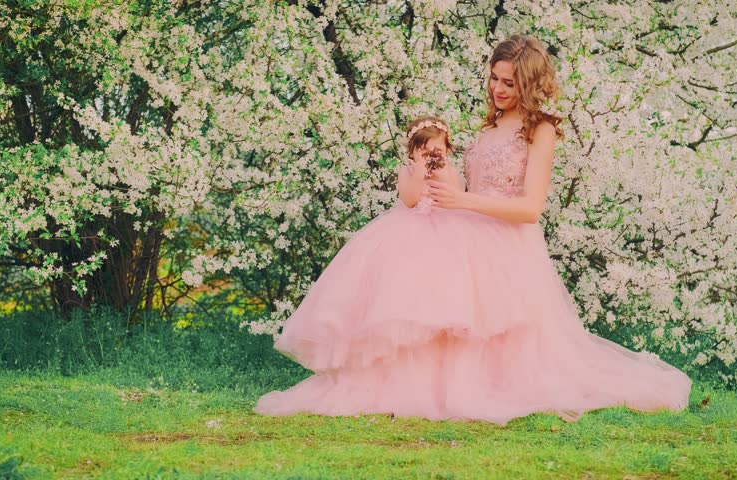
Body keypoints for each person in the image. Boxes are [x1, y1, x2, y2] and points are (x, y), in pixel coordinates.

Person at [253, 35, 692, 425]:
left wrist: (462, 202)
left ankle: (472, 388)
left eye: (509, 83)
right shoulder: (488, 126)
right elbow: (467, 184)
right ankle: (417, 386)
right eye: (495, 79)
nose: (498, 90)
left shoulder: (541, 130)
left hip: (507, 241)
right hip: (466, 228)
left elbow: (531, 208)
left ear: (530, 84)